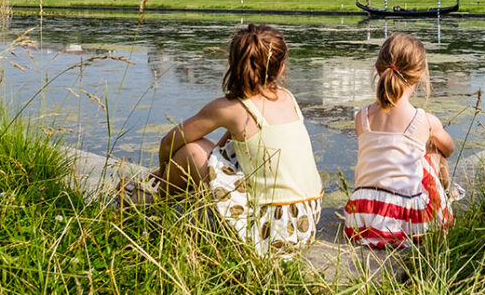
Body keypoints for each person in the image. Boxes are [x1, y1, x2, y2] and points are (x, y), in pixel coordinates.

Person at [123, 24, 324, 256]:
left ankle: (152, 200)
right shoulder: (288, 99)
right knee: (215, 153)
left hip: (269, 231)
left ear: (232, 63)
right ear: (280, 70)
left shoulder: (229, 108)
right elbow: (224, 147)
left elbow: (169, 143)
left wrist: (161, 172)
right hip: (303, 223)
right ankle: (158, 201)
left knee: (195, 151)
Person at [343, 33, 456, 248]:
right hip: (407, 223)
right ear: (420, 75)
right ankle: (449, 195)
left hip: (360, 220)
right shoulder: (424, 120)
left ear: (379, 71)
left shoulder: (362, 117)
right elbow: (449, 149)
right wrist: (429, 140)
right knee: (433, 151)